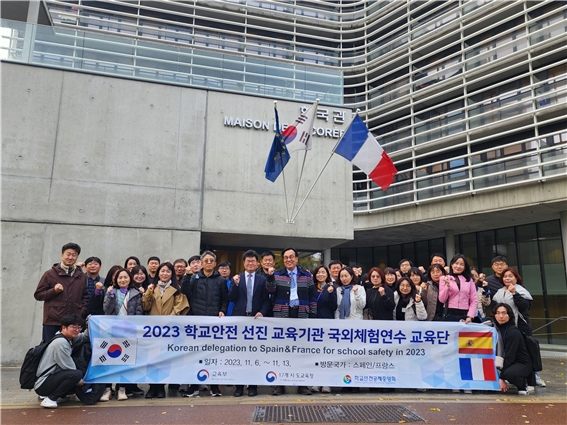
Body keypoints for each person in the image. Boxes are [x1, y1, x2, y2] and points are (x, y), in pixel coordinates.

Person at [266, 247, 317, 396]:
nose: (289, 259)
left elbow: (312, 298)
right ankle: (279, 384)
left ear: (296, 259)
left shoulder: (306, 276)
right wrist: (269, 278)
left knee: (302, 351)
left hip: (302, 315)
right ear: (283, 260)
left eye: (291, 257)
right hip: (282, 316)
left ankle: (302, 385)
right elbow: (270, 291)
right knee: (281, 351)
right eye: (286, 257)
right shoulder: (276, 275)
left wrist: (312, 317)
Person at [181, 251, 228, 397]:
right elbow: (185, 291)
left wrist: (222, 310)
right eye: (205, 260)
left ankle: (214, 387)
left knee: (214, 355)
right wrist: (187, 276)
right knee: (196, 355)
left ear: (214, 263)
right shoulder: (194, 278)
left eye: (211, 261)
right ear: (201, 263)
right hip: (197, 322)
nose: (208, 263)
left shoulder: (220, 280)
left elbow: (225, 299)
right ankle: (194, 386)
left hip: (214, 323)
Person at [142, 263, 189, 398]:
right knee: (151, 358)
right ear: (158, 273)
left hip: (169, 329)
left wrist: (169, 319)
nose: (165, 273)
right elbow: (145, 306)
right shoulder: (152, 287)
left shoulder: (177, 290)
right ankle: (152, 387)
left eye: (168, 271)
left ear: (171, 274)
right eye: (162, 271)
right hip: (153, 329)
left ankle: (161, 386)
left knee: (164, 358)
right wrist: (148, 292)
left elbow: (180, 307)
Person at [229, 250, 271, 397]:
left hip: (256, 321)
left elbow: (267, 300)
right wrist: (234, 285)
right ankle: (239, 387)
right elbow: (231, 298)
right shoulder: (237, 278)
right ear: (244, 263)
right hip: (240, 320)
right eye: (248, 261)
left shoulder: (262, 280)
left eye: (253, 261)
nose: (250, 264)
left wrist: (263, 312)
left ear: (257, 263)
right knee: (239, 355)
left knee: (254, 355)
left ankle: (252, 386)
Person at [100, 268, 144, 401]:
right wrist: (111, 296)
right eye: (120, 278)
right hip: (111, 331)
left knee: (125, 360)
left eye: (125, 277)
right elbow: (106, 311)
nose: (123, 280)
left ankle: (122, 388)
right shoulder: (110, 292)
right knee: (109, 359)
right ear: (116, 280)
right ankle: (107, 389)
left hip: (128, 332)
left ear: (130, 279)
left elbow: (138, 313)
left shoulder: (136, 294)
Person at [34, 243, 87, 343]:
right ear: (62, 255)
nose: (70, 257)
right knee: (49, 349)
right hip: (53, 321)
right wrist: (54, 291)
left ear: (77, 257)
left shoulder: (81, 276)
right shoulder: (50, 274)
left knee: (71, 350)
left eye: (74, 255)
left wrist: (81, 311)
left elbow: (85, 296)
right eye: (68, 254)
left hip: (73, 322)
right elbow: (38, 295)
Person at [34, 314, 88, 408]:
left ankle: (60, 395)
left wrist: (89, 326)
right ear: (64, 327)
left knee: (75, 373)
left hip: (50, 379)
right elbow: (67, 366)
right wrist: (79, 381)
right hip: (43, 383)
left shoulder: (67, 338)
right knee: (76, 374)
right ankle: (51, 399)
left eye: (79, 327)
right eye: (73, 327)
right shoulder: (61, 343)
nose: (77, 330)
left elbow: (84, 337)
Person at [335, 267, 366, 393]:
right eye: (341, 276)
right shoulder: (337, 290)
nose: (344, 278)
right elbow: (336, 308)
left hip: (356, 326)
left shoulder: (360, 288)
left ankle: (355, 383)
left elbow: (362, 305)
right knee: (344, 356)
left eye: (346, 276)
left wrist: (357, 293)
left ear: (352, 276)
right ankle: (345, 382)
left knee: (355, 356)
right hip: (342, 327)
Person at [493, 303, 532, 395]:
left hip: (522, 364)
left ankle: (522, 385)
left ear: (509, 315)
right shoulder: (496, 328)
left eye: (504, 313)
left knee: (509, 374)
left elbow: (510, 356)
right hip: (508, 362)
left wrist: (502, 378)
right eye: (498, 313)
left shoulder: (513, 332)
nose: (500, 316)